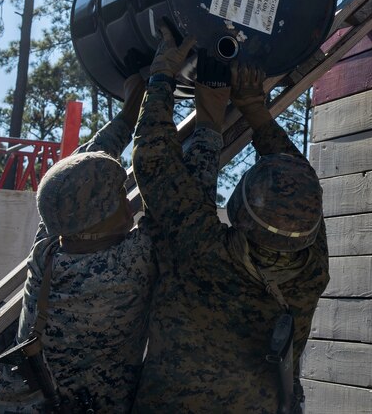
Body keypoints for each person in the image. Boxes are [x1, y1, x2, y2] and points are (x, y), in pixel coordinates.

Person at [132, 25, 330, 413]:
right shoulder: (311, 273)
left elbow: (153, 161)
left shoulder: (204, 251)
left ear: (238, 207)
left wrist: (161, 77)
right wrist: (254, 108)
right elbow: (299, 185)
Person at [0, 74, 154, 414]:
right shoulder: (132, 264)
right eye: (120, 195)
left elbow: (73, 177)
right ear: (105, 213)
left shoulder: (48, 250)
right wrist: (159, 93)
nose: (128, 203)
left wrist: (126, 117)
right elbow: (171, 189)